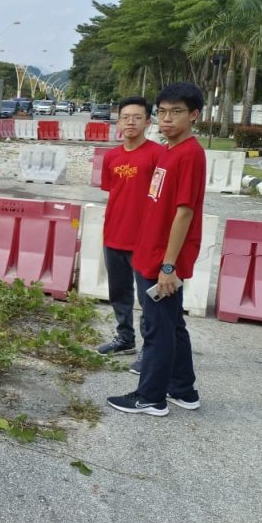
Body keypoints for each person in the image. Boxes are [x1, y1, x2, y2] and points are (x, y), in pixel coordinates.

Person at [107, 82, 206, 417]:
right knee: (172, 324)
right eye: (163, 111)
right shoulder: (169, 150)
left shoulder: (189, 154)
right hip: (149, 251)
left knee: (156, 329)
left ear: (194, 115)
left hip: (163, 260)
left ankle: (150, 397)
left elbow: (184, 212)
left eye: (176, 112)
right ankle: (183, 388)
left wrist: (168, 266)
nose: (167, 118)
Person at [94, 96, 165, 373]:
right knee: (119, 292)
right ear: (119, 121)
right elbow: (113, 192)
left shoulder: (157, 155)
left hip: (145, 241)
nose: (131, 122)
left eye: (137, 117)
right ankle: (125, 338)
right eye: (125, 117)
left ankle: (151, 349)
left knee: (148, 298)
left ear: (148, 121)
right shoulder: (111, 156)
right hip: (113, 235)